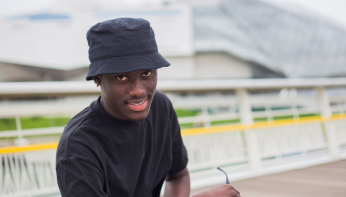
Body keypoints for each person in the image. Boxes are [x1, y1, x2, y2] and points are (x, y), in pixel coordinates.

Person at [56, 18, 241, 197]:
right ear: (98, 79)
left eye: (146, 73)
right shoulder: (77, 148)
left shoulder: (160, 106)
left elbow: (178, 175)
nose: (138, 91)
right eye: (121, 77)